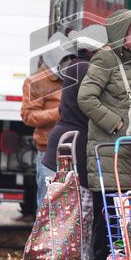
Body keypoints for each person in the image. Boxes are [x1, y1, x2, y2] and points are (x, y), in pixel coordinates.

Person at [77, 9, 131, 260]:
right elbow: (86, 98)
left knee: (128, 213)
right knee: (108, 214)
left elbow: (128, 99)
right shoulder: (105, 58)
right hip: (109, 151)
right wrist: (117, 123)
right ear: (122, 33)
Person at [45, 26, 108, 188]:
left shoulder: (75, 65)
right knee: (71, 208)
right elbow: (91, 104)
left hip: (62, 143)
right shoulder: (85, 68)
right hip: (73, 147)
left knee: (56, 209)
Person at [20, 34, 67, 215]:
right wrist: (58, 113)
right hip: (48, 149)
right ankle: (45, 241)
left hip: (73, 148)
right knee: (47, 201)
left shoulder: (72, 76)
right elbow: (28, 115)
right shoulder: (35, 82)